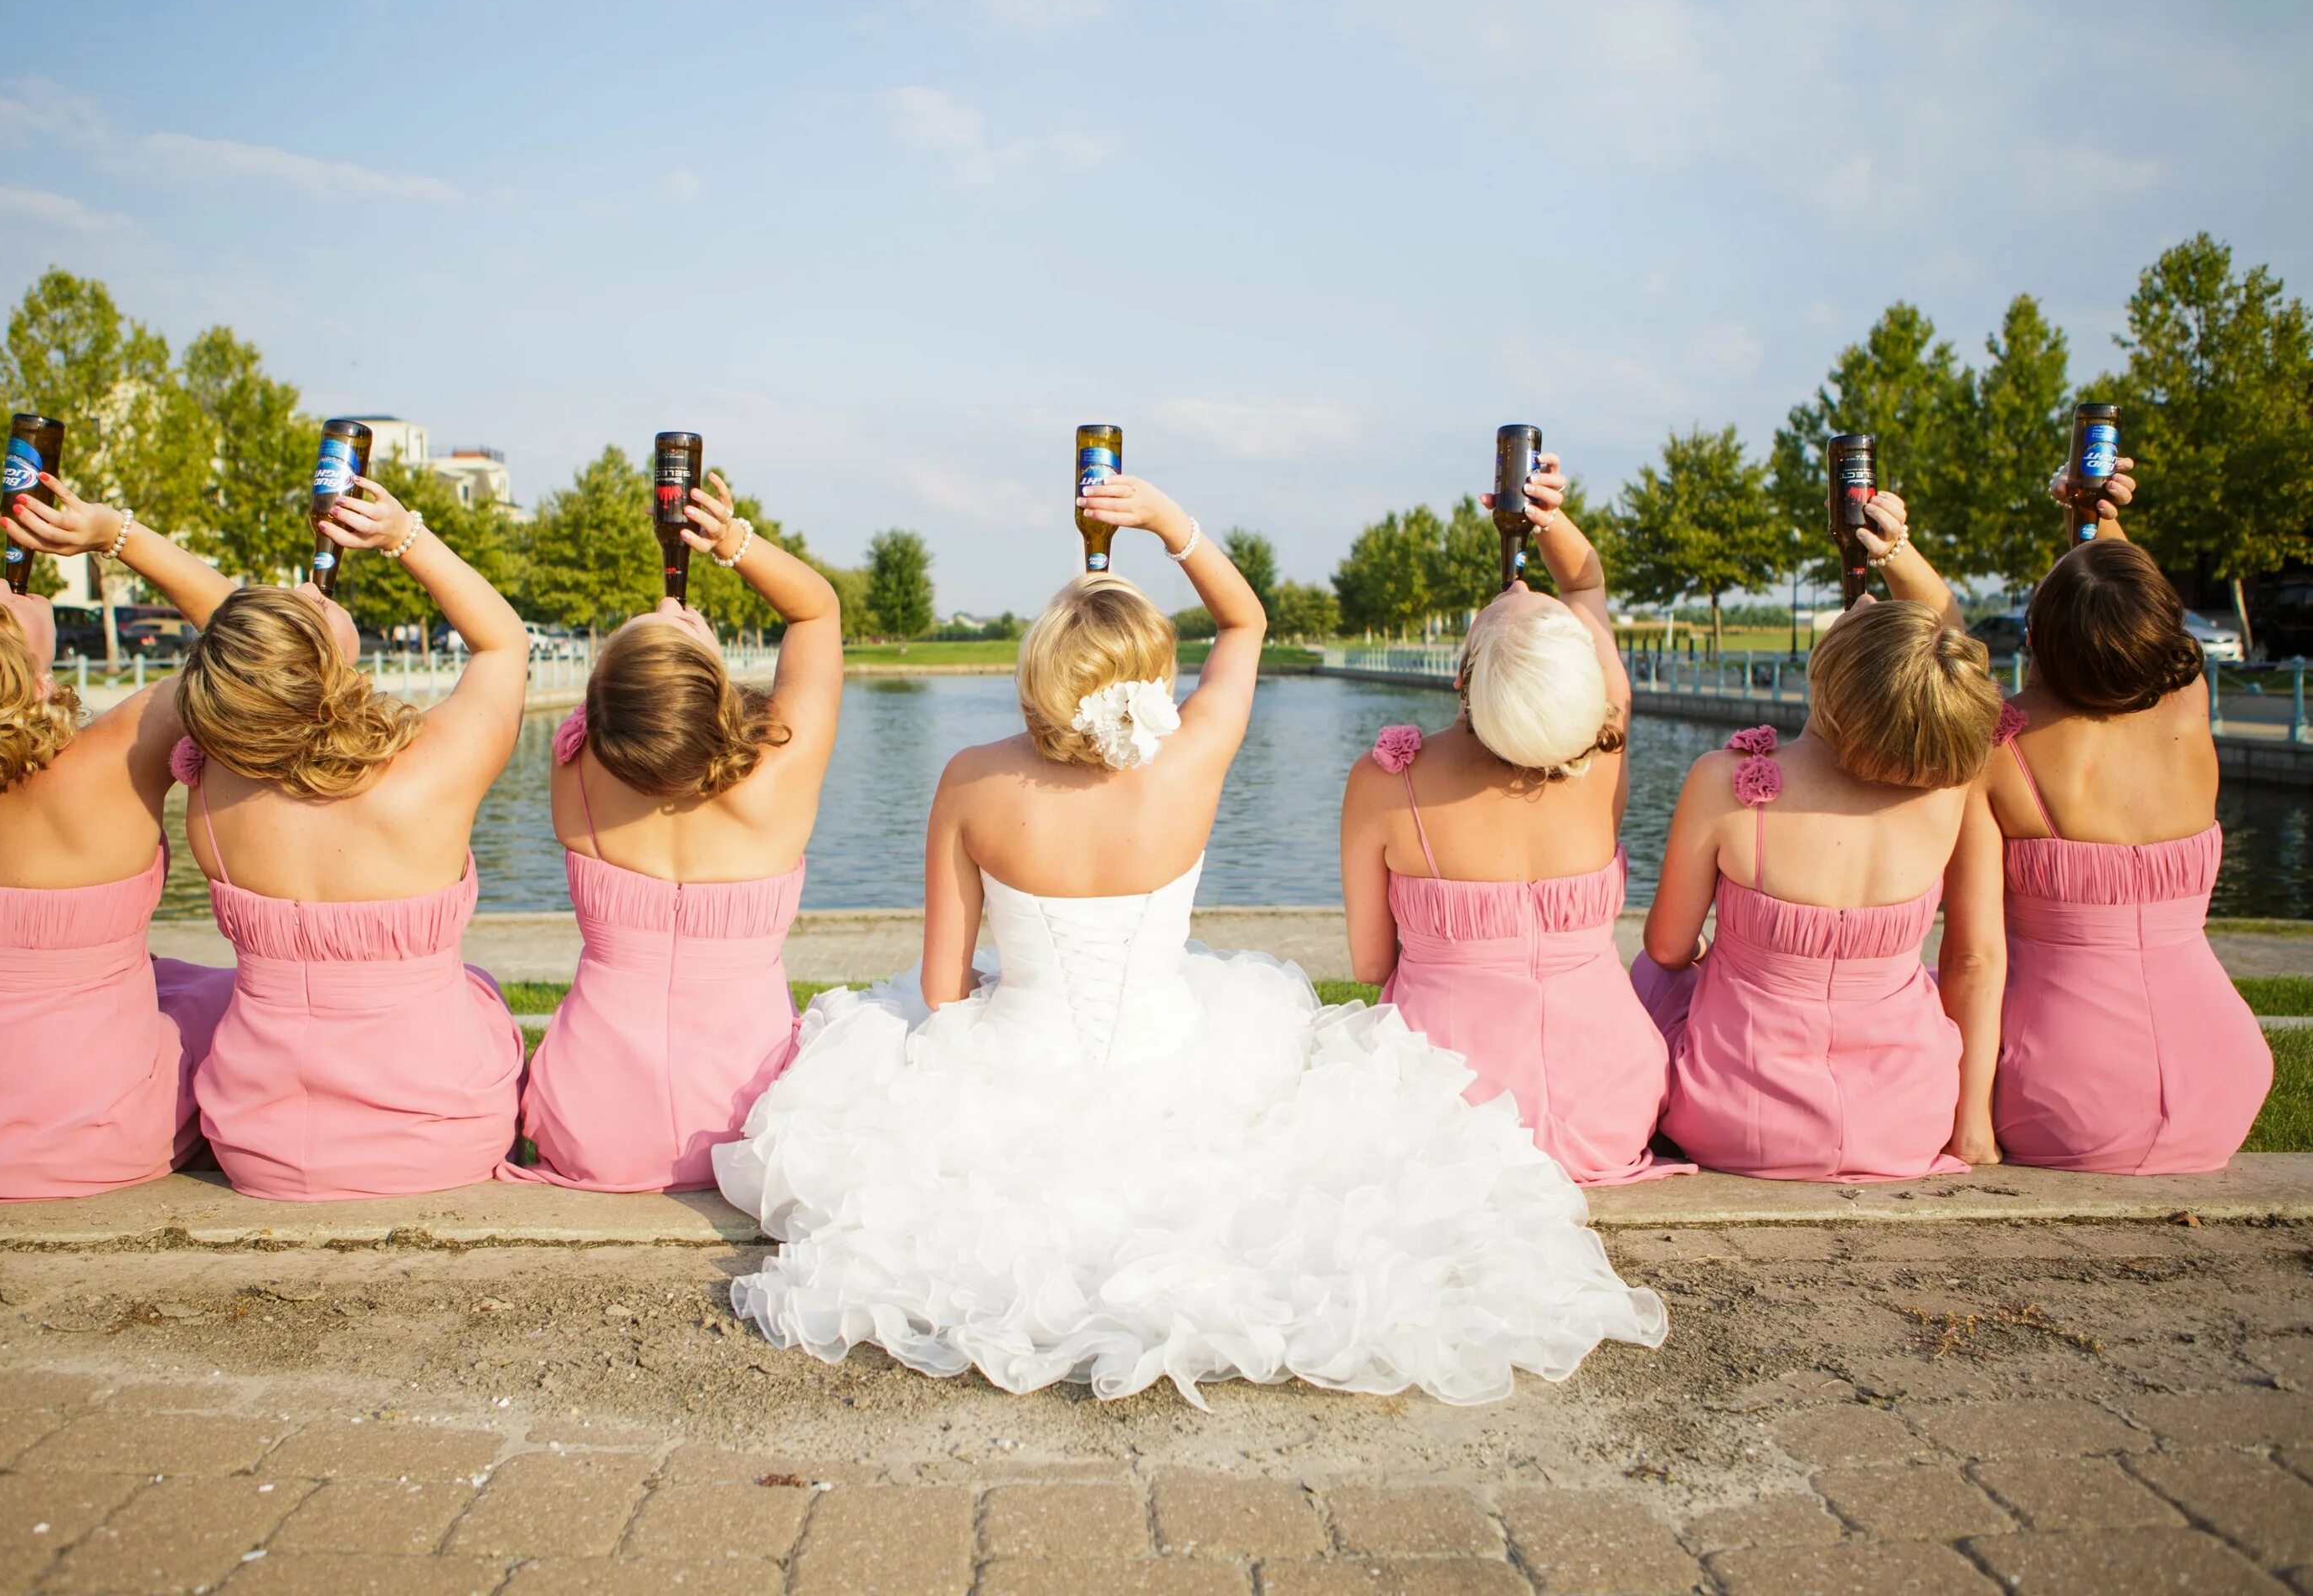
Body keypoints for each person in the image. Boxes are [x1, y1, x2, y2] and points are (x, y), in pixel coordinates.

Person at [716, 475, 1664, 1408]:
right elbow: (1244, 621)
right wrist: (1167, 520)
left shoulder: (970, 779)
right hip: (1178, 1054)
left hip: (1015, 1061)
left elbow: (943, 983)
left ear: (1038, 674)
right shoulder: (1195, 755)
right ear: (1153, 679)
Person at [0, 476, 235, 1203]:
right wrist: (114, 535)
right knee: (231, 1003)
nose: (1, 585)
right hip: (91, 1128)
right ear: (22, 673)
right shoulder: (120, 751)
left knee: (177, 983)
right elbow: (257, 640)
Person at [1634, 490, 2005, 1183]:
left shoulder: (1726, 780)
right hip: (1904, 1120)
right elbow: (1977, 963)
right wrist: (1895, 558)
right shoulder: (1953, 791)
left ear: (1830, 681)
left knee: (1655, 976)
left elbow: (1666, 948)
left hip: (1737, 1119)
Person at [175, 477, 527, 1200]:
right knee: (479, 994)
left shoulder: (209, 795)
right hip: (439, 1137)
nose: (307, 592)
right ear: (321, 668)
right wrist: (405, 537)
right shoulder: (430, 774)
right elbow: (503, 644)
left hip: (257, 1144)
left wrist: (120, 534)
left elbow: (247, 661)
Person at [1339, 452, 1681, 1185]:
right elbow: (1586, 581)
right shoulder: (1606, 750)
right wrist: (1552, 524)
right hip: (1607, 1109)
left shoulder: (1385, 783)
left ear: (1463, 677)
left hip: (1448, 1111)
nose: (1520, 583)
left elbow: (1371, 967)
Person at [503, 475, 841, 1191]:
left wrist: (665, 650)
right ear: (714, 687)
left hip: (592, 1121)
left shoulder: (576, 776)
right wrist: (731, 542)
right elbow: (816, 614)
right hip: (746, 1120)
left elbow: (627, 724)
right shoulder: (780, 776)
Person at [1978, 462, 2269, 1172]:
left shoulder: (1999, 747)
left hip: (2055, 1095)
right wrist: (2098, 514)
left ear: (2038, 641)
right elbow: (2133, 612)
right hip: (2220, 1086)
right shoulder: (2187, 705)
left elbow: (1976, 957)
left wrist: (1969, 1129)